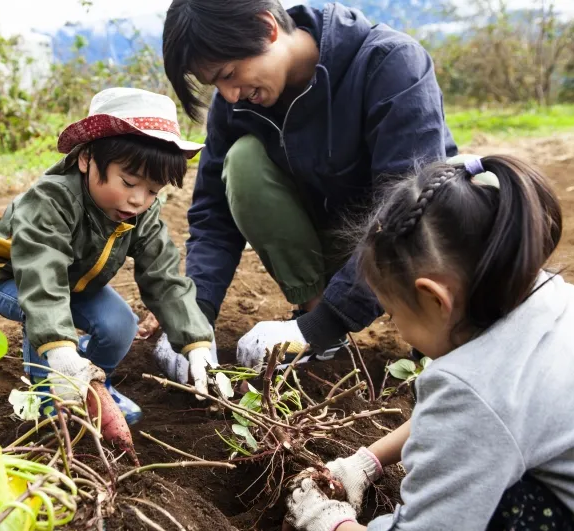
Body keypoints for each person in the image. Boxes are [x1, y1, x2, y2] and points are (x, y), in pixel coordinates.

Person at [154, 0, 457, 375]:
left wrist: (322, 326)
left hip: (411, 249)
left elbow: (408, 213)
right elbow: (213, 216)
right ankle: (319, 323)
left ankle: (345, 328)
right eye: (215, 84)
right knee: (243, 160)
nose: (229, 94)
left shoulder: (389, 63)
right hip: (329, 245)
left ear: (267, 27)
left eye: (229, 73)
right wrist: (192, 319)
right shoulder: (235, 104)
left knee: (441, 202)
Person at [285, 155, 574, 531]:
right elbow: (483, 416)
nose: (397, 329)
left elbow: (472, 409)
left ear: (435, 300)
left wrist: (329, 522)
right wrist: (367, 461)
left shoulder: (473, 390)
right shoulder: (546, 299)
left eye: (392, 314)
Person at [0, 88, 216, 424]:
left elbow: (165, 280)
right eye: (129, 182)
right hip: (13, 277)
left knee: (119, 325)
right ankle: (48, 397)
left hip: (74, 280)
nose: (138, 200)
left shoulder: (142, 215)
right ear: (86, 158)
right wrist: (59, 348)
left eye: (152, 190)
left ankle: (96, 386)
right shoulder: (52, 201)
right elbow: (42, 277)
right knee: (47, 321)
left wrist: (197, 344)